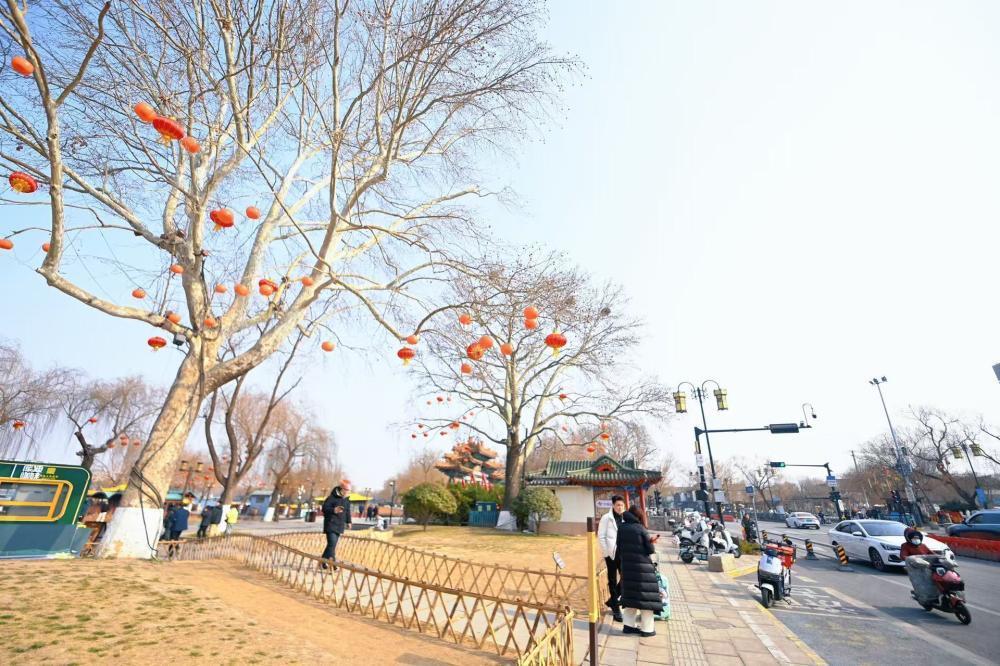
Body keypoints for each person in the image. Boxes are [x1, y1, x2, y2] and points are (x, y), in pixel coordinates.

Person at [616, 505, 661, 637]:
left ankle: (628, 626)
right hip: (642, 569)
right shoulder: (640, 528)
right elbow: (650, 550)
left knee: (630, 597)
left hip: (627, 567)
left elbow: (619, 547)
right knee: (646, 600)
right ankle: (647, 629)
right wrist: (652, 542)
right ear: (639, 515)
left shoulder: (621, 528)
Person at [598, 496, 626, 622]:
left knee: (626, 577)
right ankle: (615, 608)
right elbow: (601, 536)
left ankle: (611, 601)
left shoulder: (625, 517)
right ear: (613, 505)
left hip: (623, 554)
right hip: (611, 554)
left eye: (622, 505)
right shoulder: (606, 518)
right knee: (612, 580)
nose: (620, 507)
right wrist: (607, 553)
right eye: (618, 505)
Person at [321, 481, 352, 568]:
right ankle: (333, 562)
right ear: (342, 489)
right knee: (332, 543)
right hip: (330, 524)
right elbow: (324, 508)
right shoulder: (332, 498)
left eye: (349, 490)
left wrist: (349, 521)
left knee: (332, 545)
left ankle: (323, 560)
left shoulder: (346, 500)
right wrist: (334, 510)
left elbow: (347, 512)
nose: (348, 492)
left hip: (339, 525)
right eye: (347, 490)